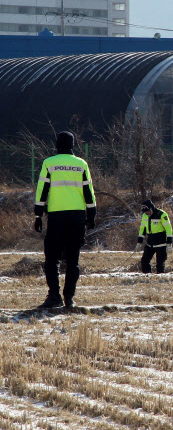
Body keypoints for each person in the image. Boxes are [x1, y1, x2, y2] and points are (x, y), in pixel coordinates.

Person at [34, 131, 96, 309]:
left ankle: (54, 296)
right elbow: (88, 191)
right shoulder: (81, 164)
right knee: (73, 260)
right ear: (73, 145)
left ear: (56, 145)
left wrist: (38, 215)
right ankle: (69, 298)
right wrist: (91, 215)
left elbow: (42, 191)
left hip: (56, 216)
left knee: (52, 258)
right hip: (77, 216)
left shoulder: (49, 163)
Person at [135, 199, 173, 274]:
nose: (147, 213)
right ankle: (147, 275)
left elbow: (169, 229)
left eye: (148, 211)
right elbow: (142, 229)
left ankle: (160, 278)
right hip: (150, 242)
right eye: (145, 212)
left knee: (160, 264)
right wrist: (139, 242)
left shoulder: (162, 214)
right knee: (144, 261)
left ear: (152, 208)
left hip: (161, 243)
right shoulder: (144, 216)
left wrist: (169, 243)